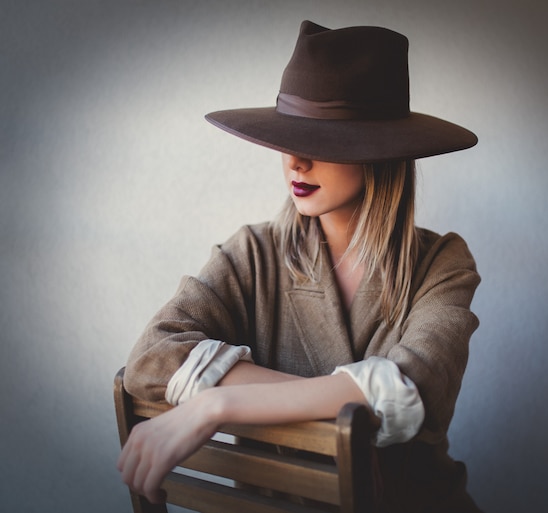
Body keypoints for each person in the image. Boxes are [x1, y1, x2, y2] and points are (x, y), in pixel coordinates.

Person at [117, 20, 482, 512]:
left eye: (322, 139)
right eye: (289, 136)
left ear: (383, 150)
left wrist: (220, 402)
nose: (295, 161)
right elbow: (152, 358)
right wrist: (342, 409)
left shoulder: (442, 263)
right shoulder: (252, 254)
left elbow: (414, 390)